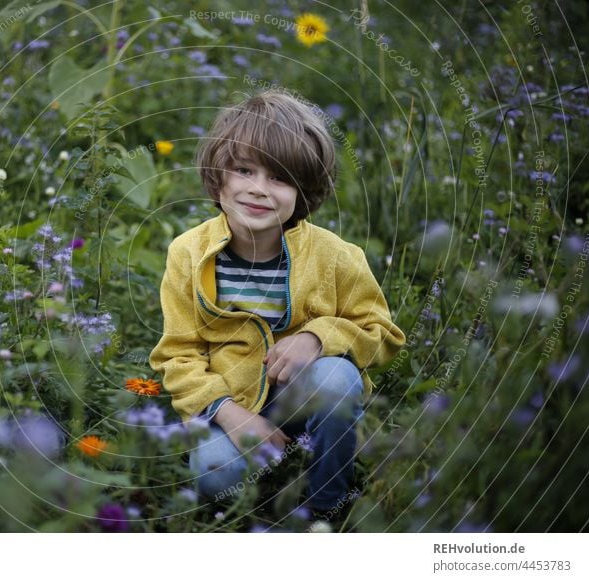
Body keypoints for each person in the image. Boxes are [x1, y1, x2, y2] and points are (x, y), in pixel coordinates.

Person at [149, 90, 406, 519]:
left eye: (279, 178)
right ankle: (272, 475)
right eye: (244, 170)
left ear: (303, 189)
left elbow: (382, 333)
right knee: (214, 475)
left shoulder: (336, 256)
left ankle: (325, 507)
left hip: (304, 398)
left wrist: (317, 336)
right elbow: (179, 354)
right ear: (220, 177)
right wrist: (231, 415)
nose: (258, 190)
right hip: (233, 403)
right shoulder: (188, 253)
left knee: (335, 380)